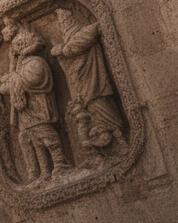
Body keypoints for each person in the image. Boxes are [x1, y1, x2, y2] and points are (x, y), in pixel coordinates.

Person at [0, 17, 70, 182]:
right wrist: (11, 77)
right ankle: (41, 172)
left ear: (23, 47)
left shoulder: (36, 63)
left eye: (16, 47)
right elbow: (13, 80)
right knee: (29, 139)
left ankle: (60, 164)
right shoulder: (22, 66)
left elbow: (31, 80)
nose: (14, 51)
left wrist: (12, 81)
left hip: (39, 108)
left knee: (47, 136)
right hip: (26, 112)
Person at [50, 8, 125, 149]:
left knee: (105, 111)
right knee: (89, 115)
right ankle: (108, 147)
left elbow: (74, 46)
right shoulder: (72, 39)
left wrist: (61, 49)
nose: (63, 25)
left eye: (64, 21)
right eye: (61, 23)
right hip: (81, 87)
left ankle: (122, 143)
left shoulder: (84, 33)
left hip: (95, 83)